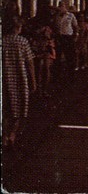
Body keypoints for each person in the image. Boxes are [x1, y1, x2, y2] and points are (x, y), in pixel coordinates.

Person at [3, 16, 36, 148]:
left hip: (5, 78)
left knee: (6, 109)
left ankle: (4, 136)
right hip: (19, 79)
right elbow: (30, 63)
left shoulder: (3, 40)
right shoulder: (23, 42)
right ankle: (12, 134)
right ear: (18, 28)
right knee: (19, 108)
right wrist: (33, 81)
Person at [54, 2, 77, 79]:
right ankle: (57, 75)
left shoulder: (70, 15)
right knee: (58, 56)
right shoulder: (56, 16)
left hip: (68, 37)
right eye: (59, 6)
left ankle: (71, 74)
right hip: (59, 37)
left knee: (69, 56)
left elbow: (75, 26)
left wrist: (74, 36)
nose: (61, 8)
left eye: (62, 6)